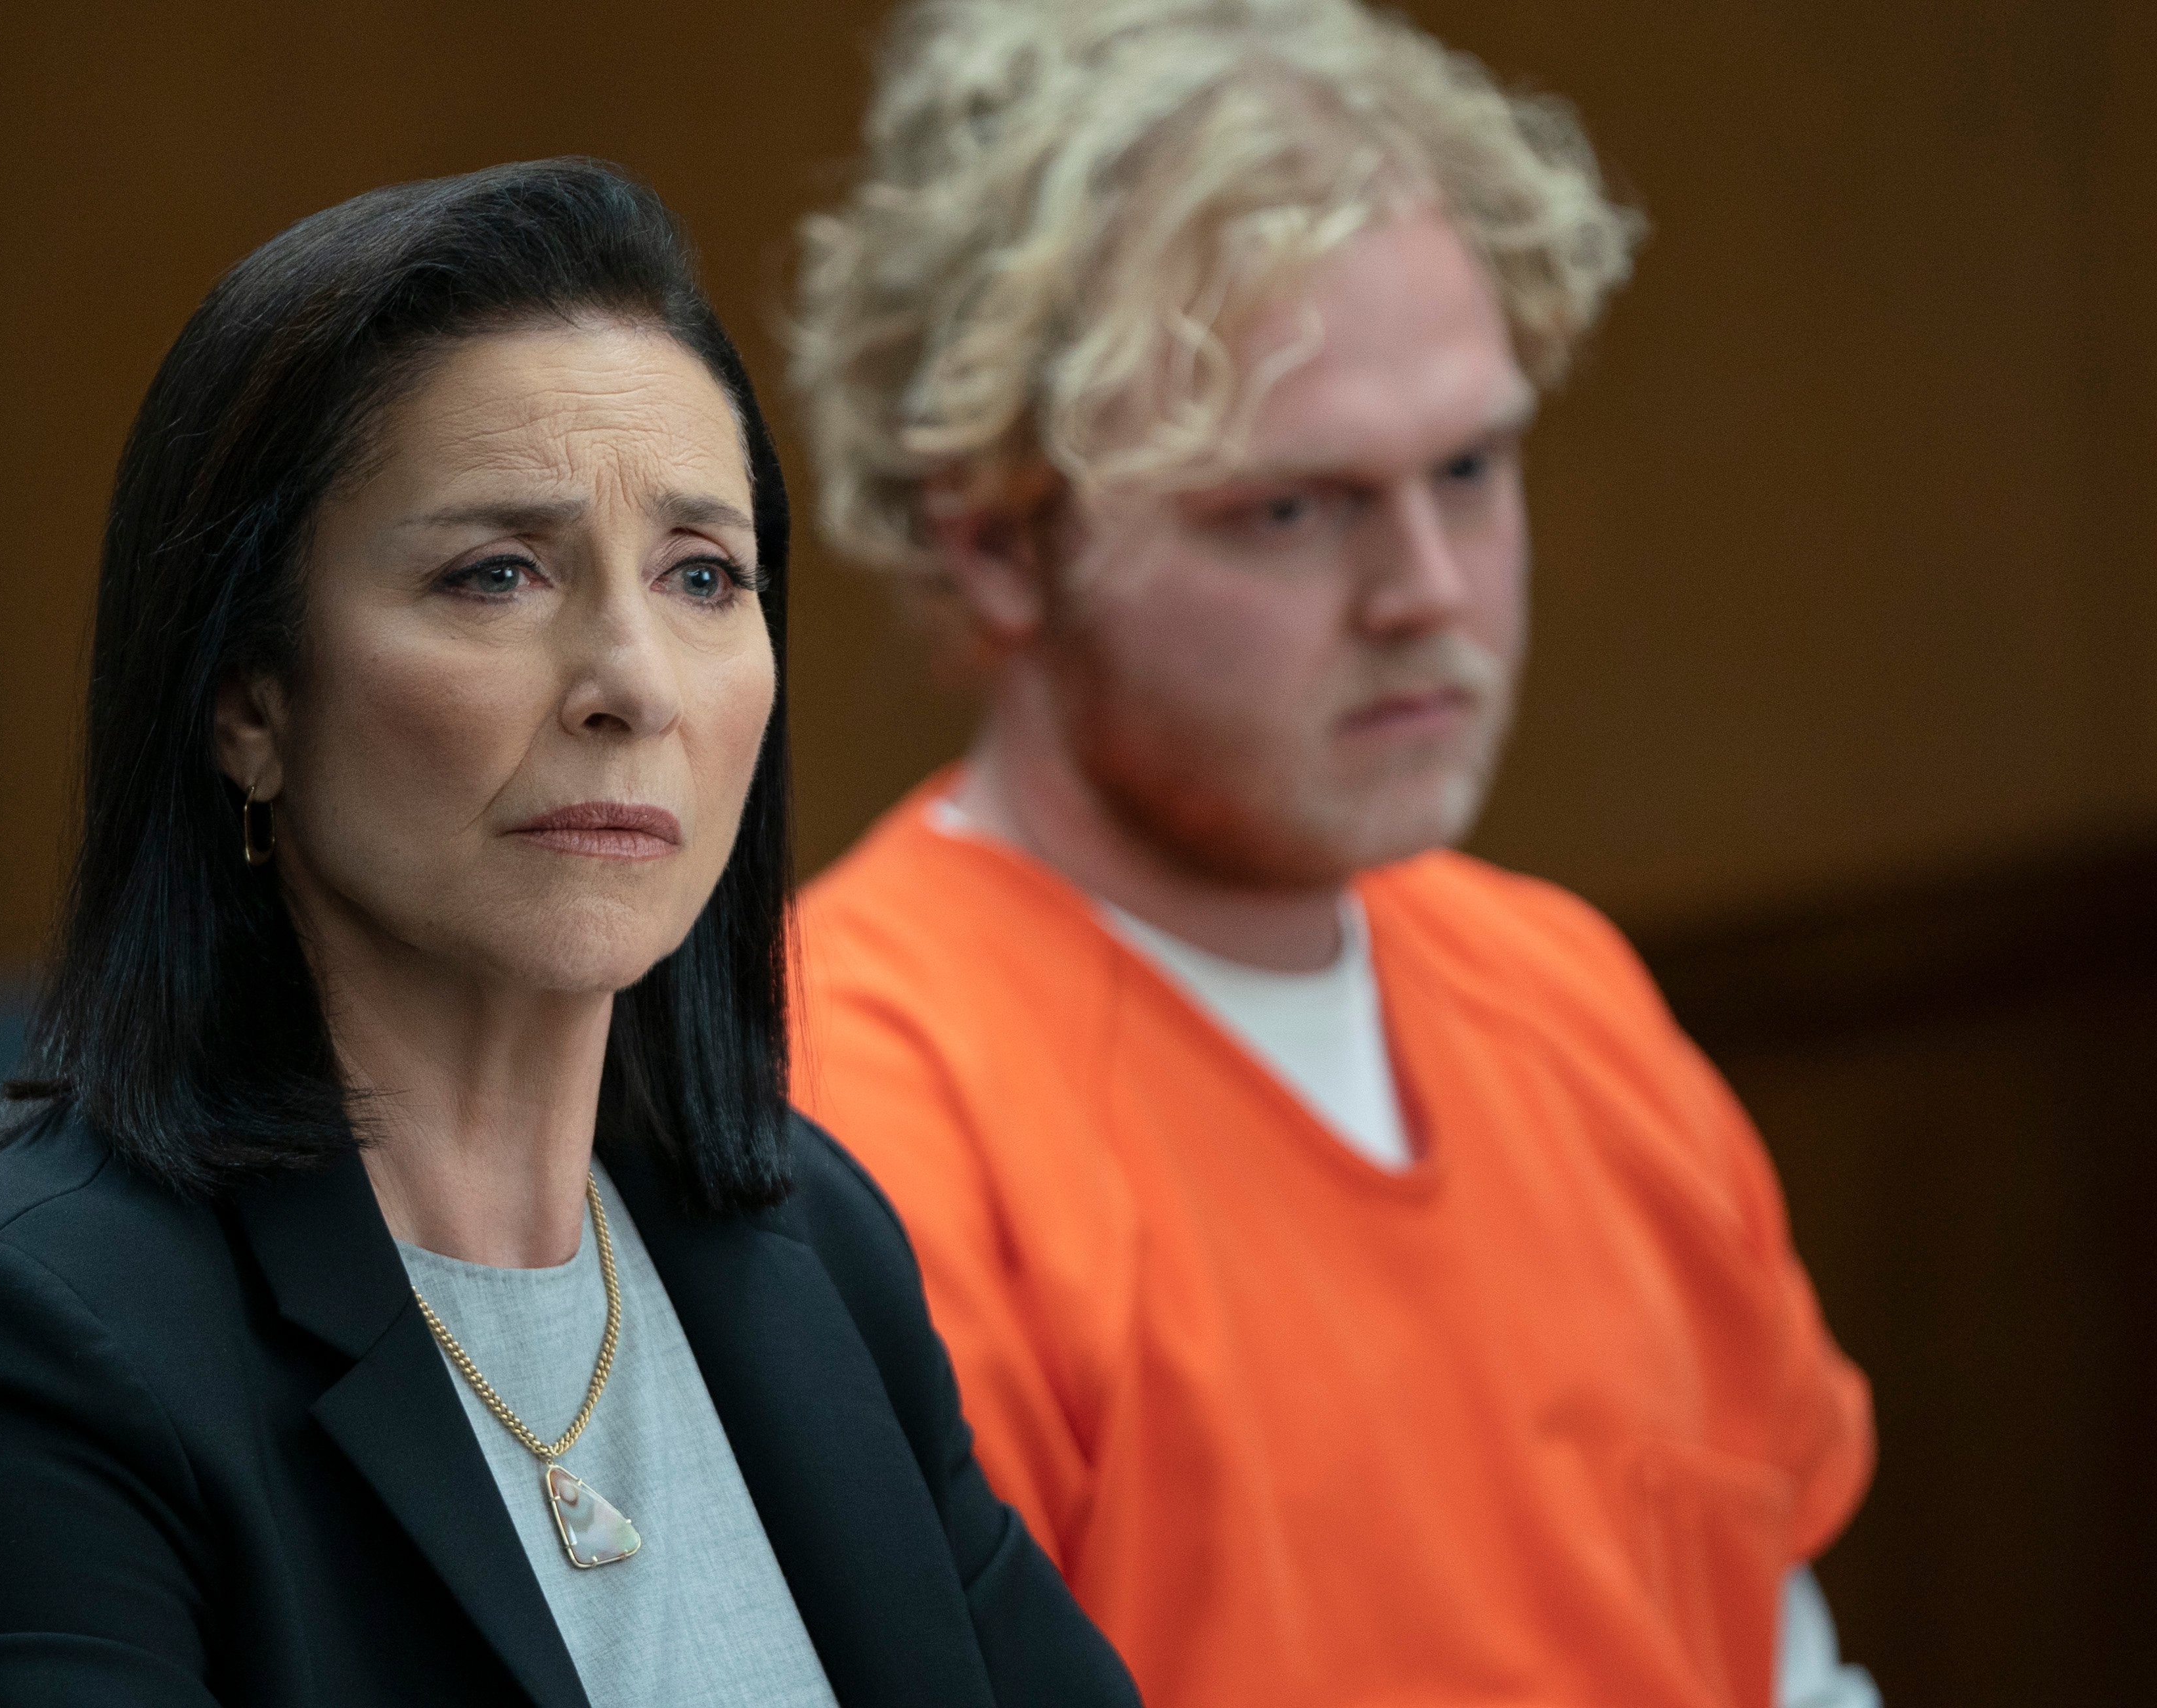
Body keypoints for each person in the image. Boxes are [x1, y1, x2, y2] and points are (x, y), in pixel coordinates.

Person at [0, 160, 1138, 1708]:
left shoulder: (805, 1240)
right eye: (497, 573)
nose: (633, 681)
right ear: (251, 703)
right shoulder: (35, 1341)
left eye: (703, 574)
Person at [786, 4, 1877, 1705]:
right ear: (995, 543)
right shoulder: (854, 1112)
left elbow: (1779, 1662)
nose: (1427, 590)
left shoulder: (1566, 997)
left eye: (1469, 464)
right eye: (1287, 509)